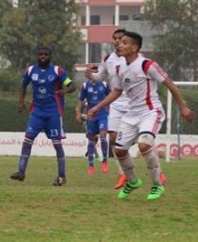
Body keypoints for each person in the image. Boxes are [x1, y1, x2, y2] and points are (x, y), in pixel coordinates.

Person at [88, 31, 194, 200]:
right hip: (131, 115)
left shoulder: (147, 65)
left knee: (144, 145)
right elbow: (117, 91)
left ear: (134, 47)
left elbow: (170, 84)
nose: (119, 45)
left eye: (124, 42)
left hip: (150, 112)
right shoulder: (119, 67)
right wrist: (97, 107)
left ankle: (157, 185)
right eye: (119, 42)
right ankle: (133, 181)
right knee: (119, 150)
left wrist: (183, 107)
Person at [10, 46, 76, 186]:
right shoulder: (31, 70)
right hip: (37, 113)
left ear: (50, 56)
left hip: (53, 113)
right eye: (40, 54)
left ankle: (61, 177)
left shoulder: (57, 71)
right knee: (27, 140)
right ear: (37, 56)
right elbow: (23, 85)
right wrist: (21, 102)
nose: (43, 57)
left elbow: (72, 86)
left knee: (57, 145)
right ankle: (21, 172)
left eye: (46, 54)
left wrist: (64, 91)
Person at [85, 28, 134, 188]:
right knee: (113, 138)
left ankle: (156, 171)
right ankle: (123, 174)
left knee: (142, 141)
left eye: (121, 38)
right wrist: (91, 75)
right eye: (115, 38)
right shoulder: (108, 59)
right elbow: (101, 76)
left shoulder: (135, 58)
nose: (117, 41)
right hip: (116, 103)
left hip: (135, 103)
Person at [76, 78, 110, 175]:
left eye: (96, 71)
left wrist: (109, 109)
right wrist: (78, 113)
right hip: (91, 115)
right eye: (92, 71)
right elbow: (81, 100)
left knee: (103, 134)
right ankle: (91, 165)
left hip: (102, 114)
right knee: (91, 139)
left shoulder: (104, 84)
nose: (94, 73)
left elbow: (111, 96)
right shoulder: (85, 85)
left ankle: (104, 161)